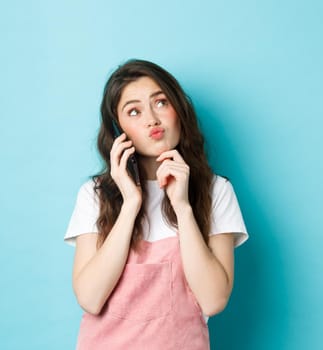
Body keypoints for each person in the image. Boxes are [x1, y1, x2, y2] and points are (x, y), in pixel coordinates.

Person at [65, 59, 248, 349]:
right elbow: (90, 298)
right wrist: (130, 205)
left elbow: (214, 300)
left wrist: (183, 207)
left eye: (161, 102)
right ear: (118, 129)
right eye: (134, 111)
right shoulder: (94, 194)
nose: (151, 119)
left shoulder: (217, 191)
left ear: (179, 110)